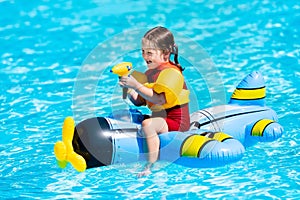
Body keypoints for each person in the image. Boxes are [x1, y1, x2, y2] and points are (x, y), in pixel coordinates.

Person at [118, 26, 190, 177]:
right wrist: (129, 88)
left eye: (149, 52)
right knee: (127, 116)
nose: (145, 56)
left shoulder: (172, 73)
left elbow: (159, 99)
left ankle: (150, 165)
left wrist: (136, 85)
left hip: (176, 121)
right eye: (143, 51)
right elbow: (139, 102)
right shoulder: (150, 73)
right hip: (161, 118)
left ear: (165, 53)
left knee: (147, 125)